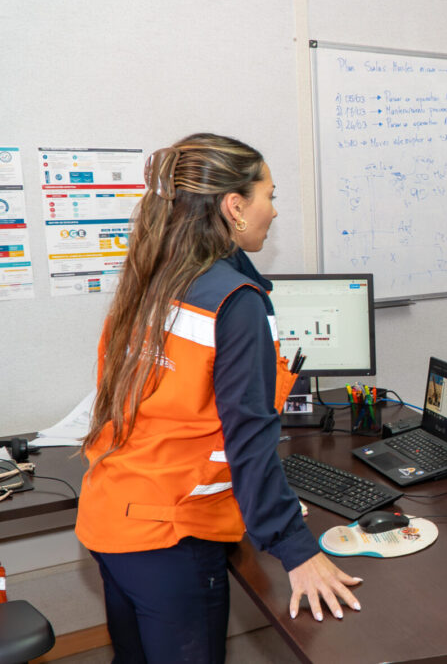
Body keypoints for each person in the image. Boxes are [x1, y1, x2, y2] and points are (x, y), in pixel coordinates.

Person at [75, 134, 362, 663]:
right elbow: (248, 438)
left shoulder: (155, 276)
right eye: (269, 196)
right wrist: (296, 549)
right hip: (171, 536)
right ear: (234, 206)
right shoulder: (234, 301)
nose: (274, 211)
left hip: (112, 513)